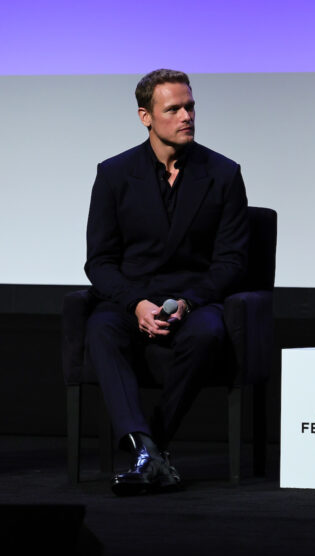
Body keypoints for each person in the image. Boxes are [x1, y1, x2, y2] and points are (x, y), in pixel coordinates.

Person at [84, 69, 250, 496]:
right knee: (100, 329)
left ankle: (149, 450)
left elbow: (232, 261)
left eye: (190, 107)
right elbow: (100, 262)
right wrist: (135, 303)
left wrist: (188, 302)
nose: (186, 116)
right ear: (145, 116)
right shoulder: (114, 174)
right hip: (132, 298)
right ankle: (148, 450)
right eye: (173, 109)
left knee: (210, 333)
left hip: (194, 299)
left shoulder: (224, 174)